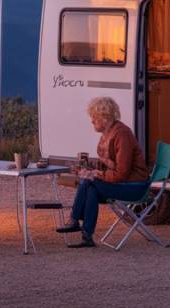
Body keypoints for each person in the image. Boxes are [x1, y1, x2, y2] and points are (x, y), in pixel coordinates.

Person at [57, 97, 150, 248]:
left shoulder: (122, 135)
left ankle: (74, 220)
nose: (92, 121)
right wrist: (92, 169)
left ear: (105, 118)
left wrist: (97, 175)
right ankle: (86, 236)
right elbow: (109, 165)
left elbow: (121, 173)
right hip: (123, 184)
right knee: (91, 188)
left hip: (135, 186)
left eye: (94, 117)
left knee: (89, 182)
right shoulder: (108, 133)